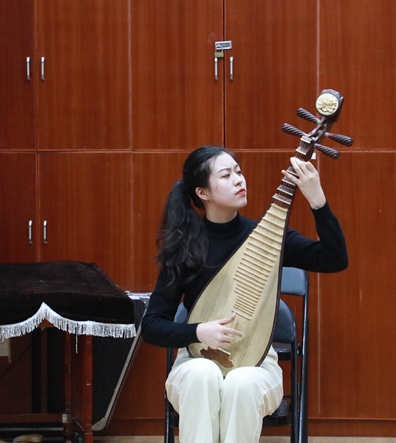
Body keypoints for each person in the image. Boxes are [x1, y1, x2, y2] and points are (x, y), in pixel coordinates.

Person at [141, 145, 348, 443]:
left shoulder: (268, 237)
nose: (239, 179)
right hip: (194, 359)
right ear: (203, 192)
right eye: (226, 175)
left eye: (238, 171)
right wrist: (198, 331)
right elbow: (151, 326)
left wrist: (317, 200)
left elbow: (335, 259)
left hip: (258, 361)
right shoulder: (186, 248)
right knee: (202, 374)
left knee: (241, 383)